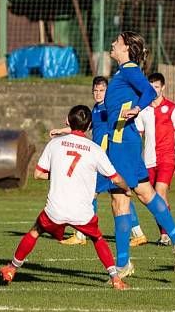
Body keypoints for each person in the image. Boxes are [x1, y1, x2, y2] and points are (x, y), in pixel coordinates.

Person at [0, 105, 131, 290]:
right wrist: (127, 189)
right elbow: (116, 178)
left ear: (67, 121)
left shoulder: (54, 144)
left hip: (56, 209)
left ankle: (12, 268)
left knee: (35, 231)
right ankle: (116, 279)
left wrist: (58, 174)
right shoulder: (95, 149)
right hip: (82, 212)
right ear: (89, 125)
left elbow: (38, 174)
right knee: (98, 239)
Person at [104, 31, 175, 276]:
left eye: (117, 42)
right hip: (125, 140)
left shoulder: (129, 69)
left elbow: (149, 92)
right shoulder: (123, 72)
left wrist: (136, 109)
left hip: (122, 142)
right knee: (144, 192)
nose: (112, 44)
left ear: (126, 48)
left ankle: (122, 265)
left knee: (119, 200)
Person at [50, 76, 142, 246]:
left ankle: (81, 234)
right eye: (96, 91)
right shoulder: (96, 109)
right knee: (120, 194)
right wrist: (63, 130)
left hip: (105, 157)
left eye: (102, 91)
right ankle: (138, 234)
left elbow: (118, 128)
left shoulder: (109, 107)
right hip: (101, 158)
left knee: (90, 193)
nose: (98, 94)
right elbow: (84, 126)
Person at [133, 72, 175, 246]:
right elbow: (138, 136)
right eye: (151, 87)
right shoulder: (143, 109)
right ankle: (167, 232)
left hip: (167, 158)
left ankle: (166, 235)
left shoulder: (172, 107)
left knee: (160, 192)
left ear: (163, 88)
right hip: (147, 160)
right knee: (151, 198)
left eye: (157, 87)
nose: (154, 90)